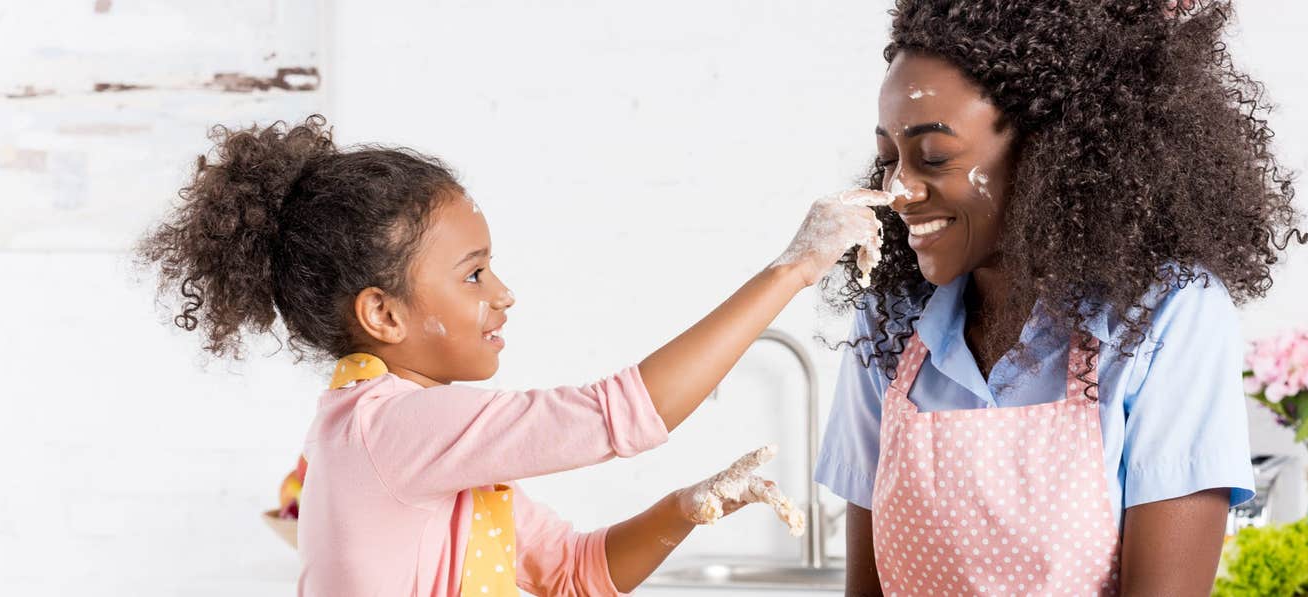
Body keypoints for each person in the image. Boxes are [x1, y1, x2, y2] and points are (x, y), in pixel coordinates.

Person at [138, 116, 889, 596]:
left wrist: (684, 509)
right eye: (473, 273)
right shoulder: (391, 430)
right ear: (384, 313)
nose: (504, 294)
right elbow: (616, 415)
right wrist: (794, 267)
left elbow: (573, 573)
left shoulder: (415, 450)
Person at [814, 1, 1305, 594]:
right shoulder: (890, 322)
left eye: (935, 157)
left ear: (1050, 152)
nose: (899, 192)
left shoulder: (1167, 315)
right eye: (890, 160)